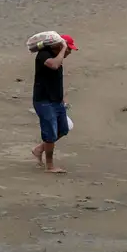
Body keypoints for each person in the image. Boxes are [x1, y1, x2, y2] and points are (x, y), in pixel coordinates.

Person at [30, 34, 77, 174]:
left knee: (63, 129)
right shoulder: (44, 55)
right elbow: (54, 65)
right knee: (50, 133)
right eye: (69, 49)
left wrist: (62, 99)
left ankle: (38, 149)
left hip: (56, 100)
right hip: (43, 101)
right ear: (59, 46)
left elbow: (56, 80)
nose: (69, 52)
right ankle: (50, 166)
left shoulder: (58, 56)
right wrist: (63, 49)